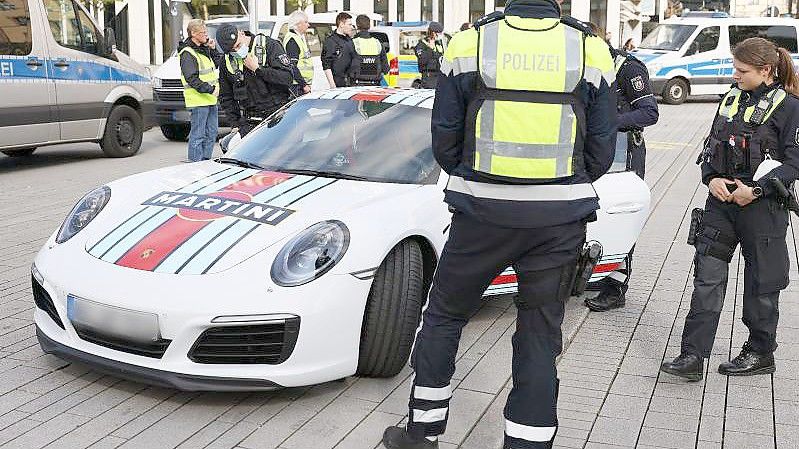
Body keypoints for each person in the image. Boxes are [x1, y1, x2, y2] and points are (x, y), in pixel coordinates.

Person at [381, 1, 616, 448]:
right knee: (540, 330)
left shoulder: (471, 40)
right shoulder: (590, 48)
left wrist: (473, 174)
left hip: (481, 213)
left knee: (445, 316)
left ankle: (423, 432)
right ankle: (528, 442)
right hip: (559, 216)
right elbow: (602, 149)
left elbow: (444, 135)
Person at [660, 37, 799, 381]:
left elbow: (795, 162)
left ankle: (760, 351)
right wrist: (711, 179)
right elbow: (712, 147)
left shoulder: (791, 107)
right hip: (721, 204)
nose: (735, 75)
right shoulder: (730, 99)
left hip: (762, 209)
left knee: (761, 283)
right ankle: (692, 356)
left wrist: (756, 189)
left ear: (766, 70)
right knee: (706, 278)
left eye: (742, 70)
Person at [584, 24, 659, 312]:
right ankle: (596, 270)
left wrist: (607, 122)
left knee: (622, 217)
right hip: (593, 153)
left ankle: (616, 286)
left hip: (624, 154)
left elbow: (650, 112)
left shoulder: (628, 68)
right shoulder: (585, 65)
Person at [215, 24, 293, 138]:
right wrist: (235, 123)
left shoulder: (269, 45)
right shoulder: (226, 61)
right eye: (232, 50)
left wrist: (258, 69)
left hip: (278, 114)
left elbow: (287, 78)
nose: (236, 51)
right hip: (251, 120)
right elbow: (226, 96)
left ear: (241, 33)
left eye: (238, 45)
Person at [179, 19, 221, 162]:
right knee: (198, 135)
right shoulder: (188, 53)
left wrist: (213, 49)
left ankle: (205, 162)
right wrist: (210, 90)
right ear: (193, 34)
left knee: (212, 133)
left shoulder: (203, 49)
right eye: (203, 32)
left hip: (210, 99)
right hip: (198, 101)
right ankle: (195, 166)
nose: (206, 35)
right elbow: (192, 78)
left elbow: (217, 64)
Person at [351, 14, 389, 86]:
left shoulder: (352, 43)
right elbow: (386, 69)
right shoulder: (378, 43)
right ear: (369, 26)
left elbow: (343, 67)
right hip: (374, 86)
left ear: (357, 26)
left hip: (356, 86)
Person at [322, 12, 357, 88]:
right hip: (338, 84)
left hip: (351, 83)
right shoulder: (330, 41)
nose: (352, 27)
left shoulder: (350, 40)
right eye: (349, 24)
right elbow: (326, 64)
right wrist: (332, 85)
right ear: (341, 24)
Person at [283, 11, 314, 97]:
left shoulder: (298, 38)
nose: (308, 25)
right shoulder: (292, 40)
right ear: (298, 24)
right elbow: (292, 66)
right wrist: (303, 85)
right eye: (306, 22)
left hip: (299, 84)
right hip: (297, 86)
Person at [414, 22, 445, 89]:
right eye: (439, 33)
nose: (441, 35)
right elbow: (422, 60)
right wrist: (430, 49)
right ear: (433, 33)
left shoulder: (439, 43)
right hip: (429, 76)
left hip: (440, 75)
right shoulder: (422, 44)